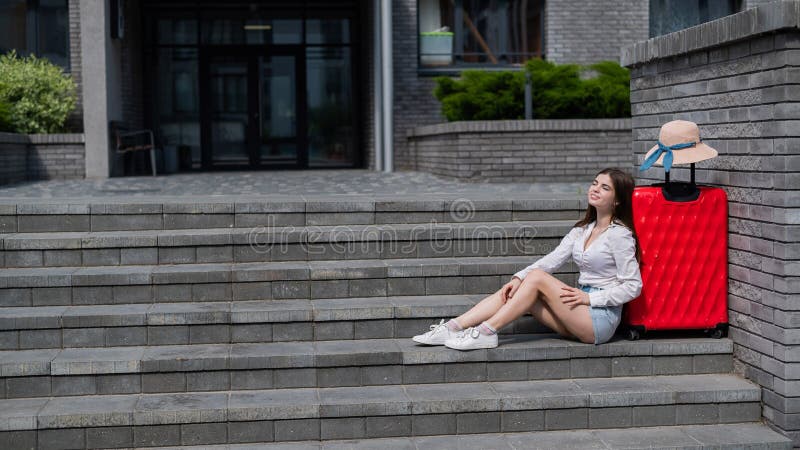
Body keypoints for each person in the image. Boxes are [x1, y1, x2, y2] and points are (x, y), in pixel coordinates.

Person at [413, 168, 643, 350]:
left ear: (617, 200)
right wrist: (517, 278)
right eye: (594, 183)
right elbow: (551, 260)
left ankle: (486, 332)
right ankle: (453, 327)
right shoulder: (582, 230)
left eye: (604, 188)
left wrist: (590, 299)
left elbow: (633, 286)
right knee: (518, 287)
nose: (595, 189)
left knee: (536, 278)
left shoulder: (620, 235)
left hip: (598, 320)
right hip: (575, 315)